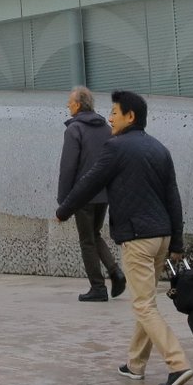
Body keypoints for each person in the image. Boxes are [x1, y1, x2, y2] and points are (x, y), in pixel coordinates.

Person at [56, 90, 193, 385]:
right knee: (146, 301)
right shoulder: (159, 149)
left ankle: (178, 363)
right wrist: (177, 243)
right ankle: (135, 364)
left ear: (130, 116)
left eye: (115, 112)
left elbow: (90, 181)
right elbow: (174, 197)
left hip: (138, 237)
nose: (111, 117)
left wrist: (64, 210)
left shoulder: (115, 147)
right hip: (162, 236)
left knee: (143, 305)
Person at [57, 87, 126, 302]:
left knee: (87, 240)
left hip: (83, 195)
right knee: (94, 234)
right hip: (103, 193)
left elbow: (68, 167)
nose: (68, 105)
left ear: (78, 105)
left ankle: (98, 287)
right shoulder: (106, 128)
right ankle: (115, 271)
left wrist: (64, 201)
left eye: (70, 102)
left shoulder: (74, 130)